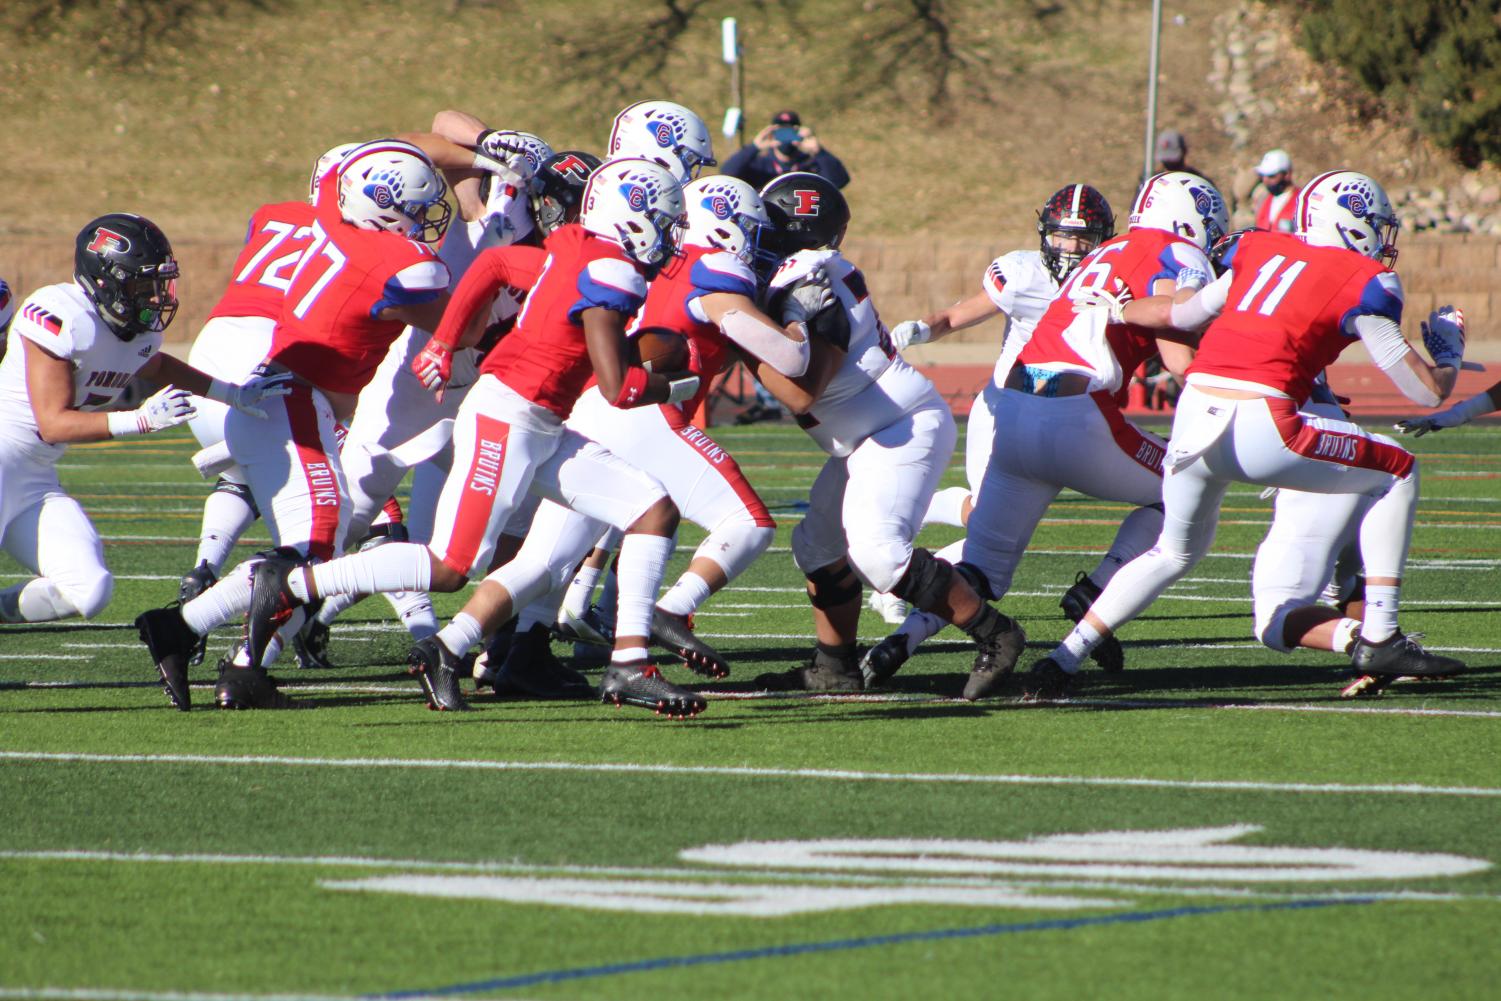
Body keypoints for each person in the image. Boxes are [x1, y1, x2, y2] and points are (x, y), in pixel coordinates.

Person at [241, 157, 710, 718]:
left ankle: (629, 663)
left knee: (652, 511)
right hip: (508, 417)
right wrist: (678, 385)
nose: (670, 232)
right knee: (448, 568)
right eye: (664, 217)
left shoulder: (574, 245)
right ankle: (295, 583)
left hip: (539, 421)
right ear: (632, 216)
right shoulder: (614, 273)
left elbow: (492, 264)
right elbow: (617, 388)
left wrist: (445, 341)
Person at [1026, 169, 1468, 701]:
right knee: (1398, 470)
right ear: (1355, 225)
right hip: (1267, 421)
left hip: (1194, 414)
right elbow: (1423, 393)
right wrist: (1449, 352)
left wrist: (1120, 308)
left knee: (1172, 552)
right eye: (1376, 225)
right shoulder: (1363, 278)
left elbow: (1184, 313)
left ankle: (1061, 660)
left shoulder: (1256, 250)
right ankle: (1381, 635)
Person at [135, 140, 457, 710]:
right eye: (416, 204)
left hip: (275, 394)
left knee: (314, 552)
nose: (426, 218)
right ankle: (238, 668)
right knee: (308, 557)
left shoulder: (332, 221)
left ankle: (182, 631)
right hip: (292, 402)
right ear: (384, 205)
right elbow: (456, 321)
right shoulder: (394, 260)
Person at [480, 173, 817, 689]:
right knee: (748, 522)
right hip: (643, 410)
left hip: (591, 406)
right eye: (747, 228)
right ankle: (669, 613)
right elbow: (790, 360)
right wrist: (798, 322)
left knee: (548, 559)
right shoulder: (716, 266)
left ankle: (466, 646)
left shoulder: (654, 260)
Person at [932, 172, 1226, 700]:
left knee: (984, 561)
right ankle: (1085, 614)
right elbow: (1180, 348)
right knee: (1191, 490)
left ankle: (887, 650)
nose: (1070, 246)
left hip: (1014, 410)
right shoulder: (1178, 255)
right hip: (1075, 415)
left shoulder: (1103, 255)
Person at [747, 172, 1025, 693]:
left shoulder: (812, 282)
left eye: (768, 226)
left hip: (897, 426)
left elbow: (803, 393)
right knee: (817, 547)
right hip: (863, 434)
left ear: (793, 231)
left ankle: (996, 634)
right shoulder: (804, 273)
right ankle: (835, 668)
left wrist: (736, 340)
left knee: (877, 553)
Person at [863, 183, 1119, 677]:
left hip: (1073, 416)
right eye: (1063, 237)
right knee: (985, 521)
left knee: (986, 520)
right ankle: (902, 565)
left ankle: (906, 556)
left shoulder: (1112, 277)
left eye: (1082, 239)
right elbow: (957, 315)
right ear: (1045, 234)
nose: (1071, 249)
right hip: (1006, 408)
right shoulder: (1021, 273)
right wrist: (921, 329)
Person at [1, 215, 288, 637]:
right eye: (143, 285)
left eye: (159, 284)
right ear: (106, 281)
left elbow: (154, 364)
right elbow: (53, 423)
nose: (156, 297)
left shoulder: (135, 334)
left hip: (32, 480)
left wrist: (231, 393)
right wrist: (140, 420)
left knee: (88, 588)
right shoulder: (64, 315)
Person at [722, 110, 850, 192]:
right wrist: (755, 147)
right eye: (781, 131)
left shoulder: (810, 165)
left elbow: (839, 181)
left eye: (791, 131)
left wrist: (819, 152)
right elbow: (728, 173)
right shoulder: (760, 165)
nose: (786, 136)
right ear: (773, 133)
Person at [1253, 148, 1299, 233]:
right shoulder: (1264, 200)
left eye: (1271, 176)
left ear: (1287, 174)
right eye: (1262, 176)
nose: (1265, 180)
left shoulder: (1301, 201)